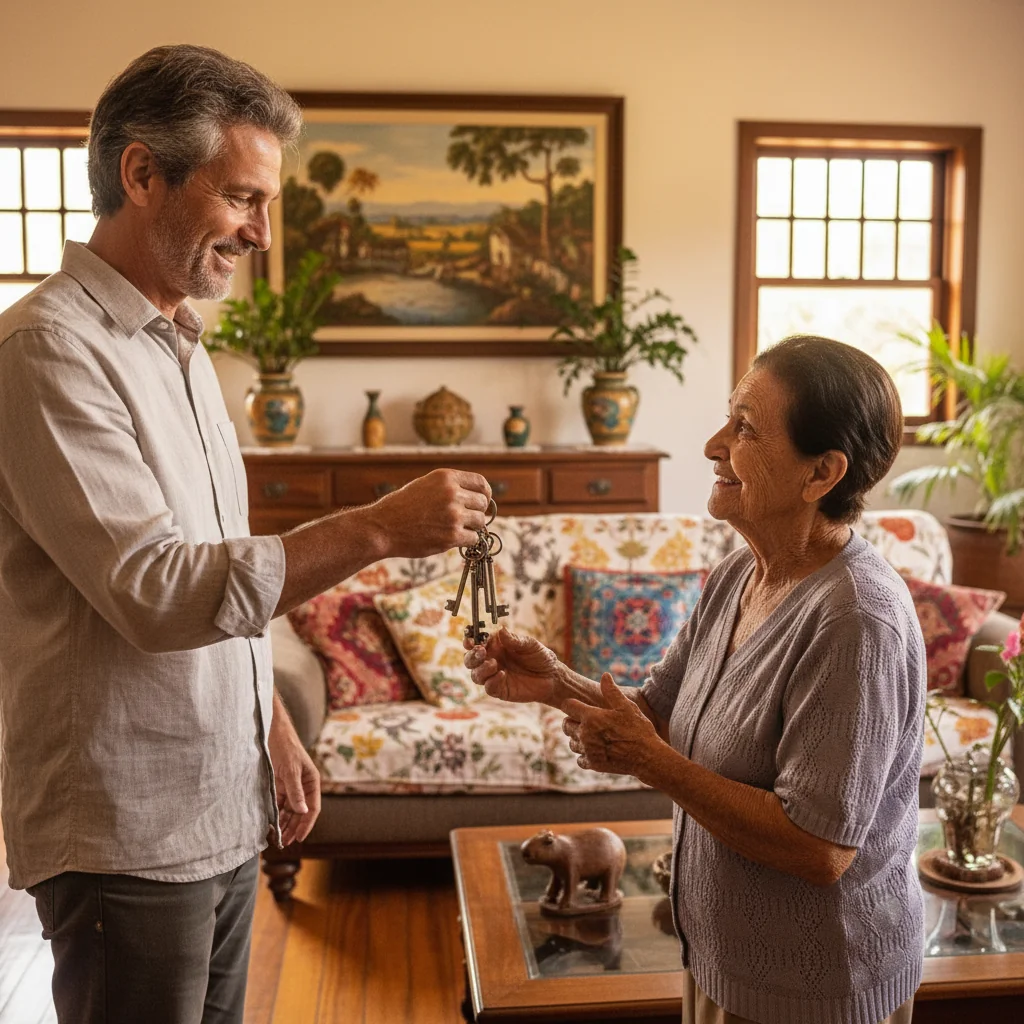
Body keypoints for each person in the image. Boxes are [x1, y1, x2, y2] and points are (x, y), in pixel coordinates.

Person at [0, 45, 490, 1024]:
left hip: (217, 798)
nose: (264, 232)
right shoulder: (46, 351)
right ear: (143, 174)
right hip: (125, 826)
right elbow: (156, 586)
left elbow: (220, 558)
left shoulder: (179, 345)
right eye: (242, 198)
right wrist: (378, 526)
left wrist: (266, 723)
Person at [467, 335, 925, 1024]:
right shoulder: (740, 572)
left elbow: (820, 847)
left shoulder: (857, 622)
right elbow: (656, 714)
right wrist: (557, 684)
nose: (714, 444)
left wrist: (652, 765)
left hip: (819, 987)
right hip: (721, 957)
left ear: (821, 473)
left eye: (745, 427)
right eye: (727, 418)